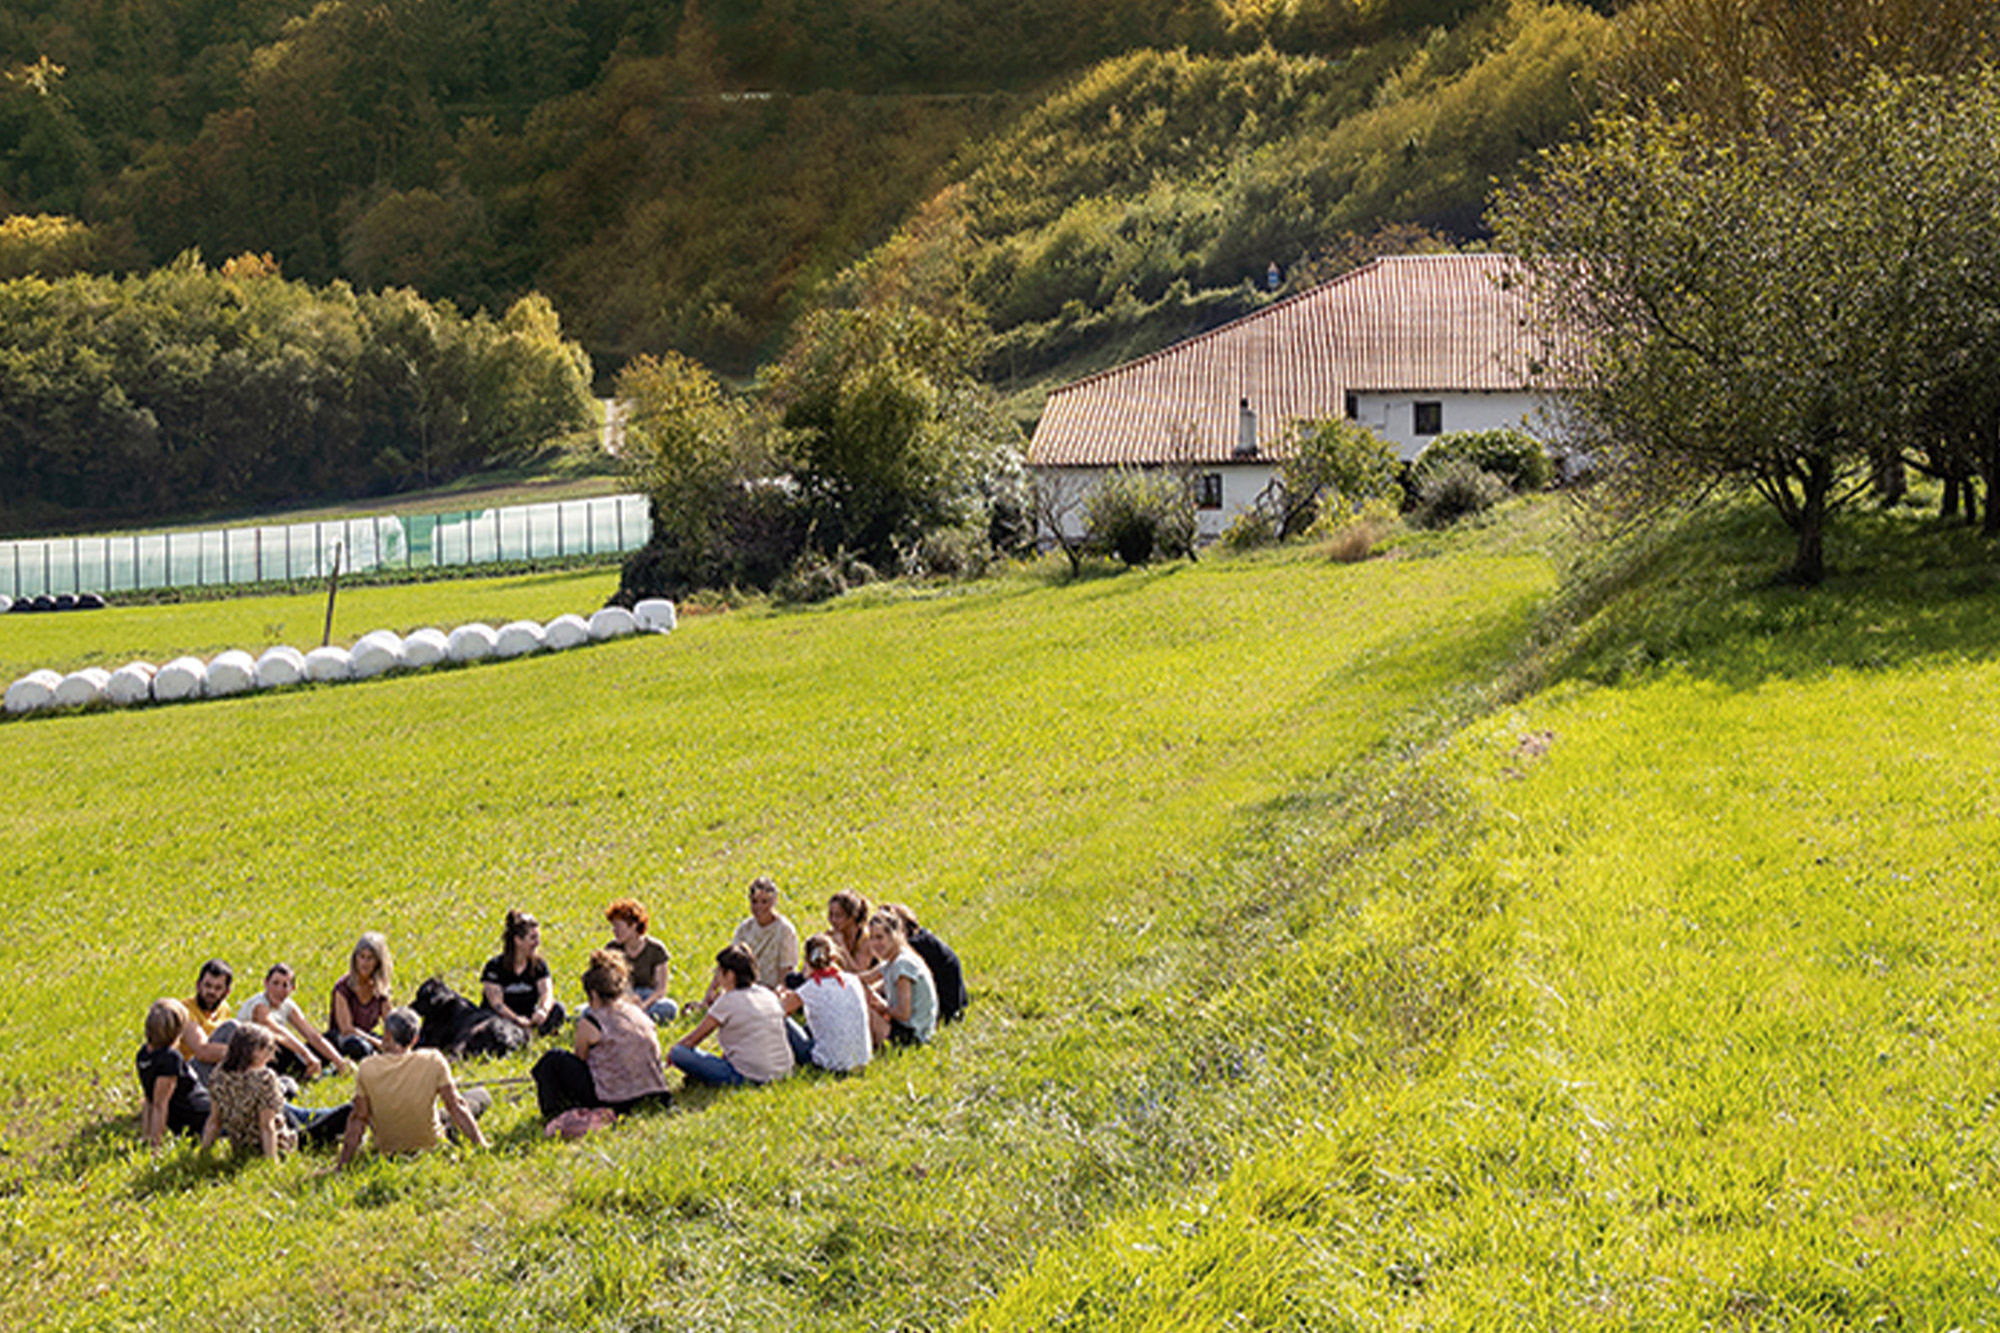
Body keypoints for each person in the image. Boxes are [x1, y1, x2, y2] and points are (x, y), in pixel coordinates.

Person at [336, 1007, 490, 1168]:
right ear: (415, 1039)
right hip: (430, 1146)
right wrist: (481, 1143)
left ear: (387, 1034)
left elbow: (359, 1118)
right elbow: (456, 1105)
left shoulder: (367, 1068)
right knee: (480, 1095)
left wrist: (343, 1164)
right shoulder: (433, 1059)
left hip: (388, 1151)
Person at [532, 950, 670, 1119]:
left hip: (614, 1098)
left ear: (594, 994)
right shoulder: (638, 1012)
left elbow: (580, 1060)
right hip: (655, 1090)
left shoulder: (591, 1022)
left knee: (552, 1060)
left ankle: (553, 1112)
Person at [201, 1025, 350, 1158]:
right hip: (278, 1144)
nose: (271, 1056)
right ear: (256, 1051)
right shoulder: (264, 1078)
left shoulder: (219, 1075)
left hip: (242, 1146)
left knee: (287, 1109)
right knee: (346, 1112)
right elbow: (267, 1126)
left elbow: (214, 1121)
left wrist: (204, 1153)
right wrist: (272, 1161)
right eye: (269, 1049)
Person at [671, 944, 794, 1087]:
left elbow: (693, 1039)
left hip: (748, 1076)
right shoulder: (767, 994)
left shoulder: (727, 1002)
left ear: (730, 975)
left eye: (719, 972)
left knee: (679, 1053)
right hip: (783, 1072)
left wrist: (672, 1053)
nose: (717, 977)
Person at [237, 963, 349, 1082]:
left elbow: (311, 1034)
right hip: (253, 1056)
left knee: (331, 1038)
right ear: (266, 983)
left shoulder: (288, 1005)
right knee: (278, 1044)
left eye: (285, 985)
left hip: (277, 1050)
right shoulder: (259, 1005)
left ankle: (319, 1069)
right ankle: (305, 1073)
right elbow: (277, 1032)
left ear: (292, 988)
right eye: (275, 983)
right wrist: (307, 1055)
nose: (279, 990)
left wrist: (339, 1061)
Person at [777, 935, 871, 1075]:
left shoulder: (811, 988)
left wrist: (780, 996)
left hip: (828, 1064)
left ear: (807, 961)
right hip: (862, 1059)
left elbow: (781, 1011)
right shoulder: (852, 980)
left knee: (783, 1021)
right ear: (834, 958)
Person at [137, 998, 212, 1149]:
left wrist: (146, 1135)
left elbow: (150, 1099)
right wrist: (154, 1145)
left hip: (194, 1114)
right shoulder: (170, 1058)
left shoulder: (143, 1054)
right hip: (201, 1118)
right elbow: (160, 1104)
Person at [879, 902, 967, 1025]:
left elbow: (892, 979)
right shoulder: (922, 937)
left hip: (944, 1007)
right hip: (956, 1001)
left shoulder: (911, 949)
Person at [482, 908, 565, 1037]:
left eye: (537, 937)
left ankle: (534, 1033)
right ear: (518, 940)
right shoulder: (494, 967)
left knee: (558, 1009)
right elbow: (496, 1004)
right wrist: (516, 1019)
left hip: (528, 1015)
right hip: (504, 1017)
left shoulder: (538, 965)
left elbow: (547, 993)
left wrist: (543, 1011)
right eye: (532, 938)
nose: (537, 943)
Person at [865, 911, 937, 1048]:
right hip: (902, 1026)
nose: (875, 943)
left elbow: (904, 1014)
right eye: (872, 938)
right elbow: (863, 979)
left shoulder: (902, 964)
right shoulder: (891, 961)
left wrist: (882, 1007)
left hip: (913, 1037)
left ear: (895, 936)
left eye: (880, 937)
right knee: (863, 996)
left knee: (864, 1009)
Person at [717, 876, 798, 994]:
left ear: (774, 902)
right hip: (744, 988)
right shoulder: (745, 928)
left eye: (764, 902)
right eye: (755, 902)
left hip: (770, 991)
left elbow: (785, 972)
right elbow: (729, 962)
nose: (759, 907)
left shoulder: (785, 930)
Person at [602, 898, 677, 1024]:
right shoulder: (612, 949)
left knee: (669, 1008)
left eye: (618, 926)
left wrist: (643, 1006)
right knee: (588, 1012)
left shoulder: (656, 949)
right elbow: (609, 985)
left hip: (649, 998)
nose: (614, 931)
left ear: (633, 925)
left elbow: (660, 990)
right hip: (622, 997)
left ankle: (629, 1019)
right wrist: (627, 1000)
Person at [327, 931, 395, 1062]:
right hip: (344, 1039)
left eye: (370, 958)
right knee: (360, 1047)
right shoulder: (343, 988)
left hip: (367, 1035)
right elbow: (347, 1029)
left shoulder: (379, 989)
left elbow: (391, 1022)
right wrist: (378, 1044)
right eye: (362, 957)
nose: (365, 963)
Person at [177, 959, 239, 1083]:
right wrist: (244, 1054)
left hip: (215, 1071)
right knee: (232, 1027)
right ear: (198, 985)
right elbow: (202, 1052)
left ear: (226, 992)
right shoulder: (185, 1011)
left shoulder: (224, 1009)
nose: (211, 992)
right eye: (207, 986)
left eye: (218, 988)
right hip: (188, 1075)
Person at [825, 890, 873, 974]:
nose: (833, 920)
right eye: (831, 915)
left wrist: (842, 947)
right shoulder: (830, 936)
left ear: (853, 916)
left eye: (838, 916)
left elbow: (858, 975)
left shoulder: (866, 939)